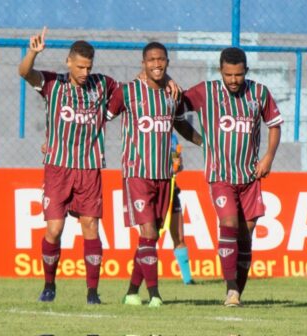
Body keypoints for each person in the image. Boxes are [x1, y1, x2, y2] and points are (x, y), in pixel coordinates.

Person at [18, 27, 121, 304]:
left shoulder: (103, 84)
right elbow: (25, 73)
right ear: (68, 62)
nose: (85, 72)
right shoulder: (54, 85)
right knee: (54, 229)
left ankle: (92, 292)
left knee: (91, 227)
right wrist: (32, 53)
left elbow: (128, 93)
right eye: (80, 66)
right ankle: (49, 286)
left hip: (89, 169)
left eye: (88, 66)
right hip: (57, 168)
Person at [181, 47, 283, 307]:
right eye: (229, 75)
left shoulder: (259, 93)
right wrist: (199, 140)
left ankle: (238, 291)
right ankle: (231, 291)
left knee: (245, 237)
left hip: (250, 177)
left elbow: (274, 125)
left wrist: (269, 157)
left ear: (246, 71)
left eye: (238, 75)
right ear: (220, 71)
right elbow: (175, 110)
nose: (234, 80)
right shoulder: (206, 92)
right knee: (228, 224)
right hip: (220, 176)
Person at [107, 42, 200, 307]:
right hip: (137, 173)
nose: (157, 64)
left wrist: (205, 143)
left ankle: (131, 292)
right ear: (143, 63)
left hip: (164, 176)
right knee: (148, 231)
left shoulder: (173, 94)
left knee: (152, 236)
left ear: (167, 62)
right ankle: (155, 295)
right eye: (152, 60)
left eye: (161, 60)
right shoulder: (128, 92)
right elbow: (102, 116)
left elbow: (181, 123)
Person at [169, 133, 195, 285]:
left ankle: (187, 279)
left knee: (179, 236)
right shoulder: (146, 133)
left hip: (172, 189)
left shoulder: (173, 138)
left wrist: (177, 164)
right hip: (153, 190)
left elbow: (178, 165)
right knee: (149, 237)